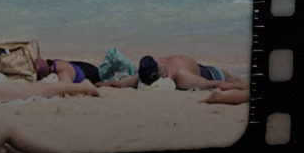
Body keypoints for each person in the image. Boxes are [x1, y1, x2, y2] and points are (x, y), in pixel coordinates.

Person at [100, 55, 248, 91]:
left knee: (232, 79)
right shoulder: (146, 71)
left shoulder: (181, 76)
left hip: (209, 72)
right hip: (193, 66)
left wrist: (243, 89)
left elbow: (214, 83)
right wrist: (100, 85)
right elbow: (121, 84)